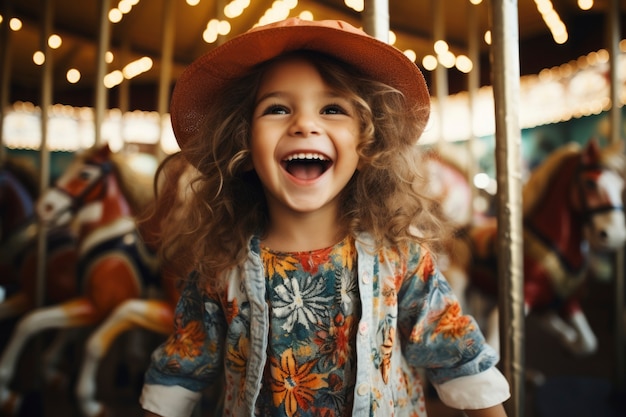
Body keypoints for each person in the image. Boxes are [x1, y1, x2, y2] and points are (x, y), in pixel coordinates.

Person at [140, 17, 510, 417]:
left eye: (332, 109)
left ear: (368, 142)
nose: (304, 124)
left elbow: (455, 351)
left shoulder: (399, 257)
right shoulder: (220, 264)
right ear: (243, 142)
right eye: (277, 109)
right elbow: (183, 365)